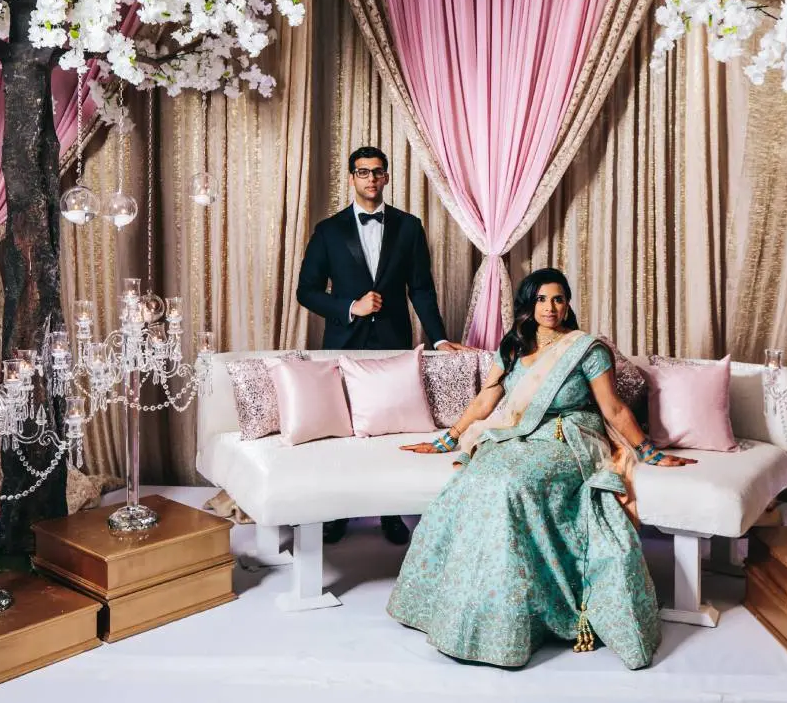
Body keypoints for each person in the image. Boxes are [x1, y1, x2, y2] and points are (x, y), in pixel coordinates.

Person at [386, 268, 697, 669]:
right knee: (475, 479)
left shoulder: (586, 350)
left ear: (568, 304)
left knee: (512, 485)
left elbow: (614, 409)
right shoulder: (514, 346)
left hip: (568, 438)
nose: (550, 308)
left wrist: (649, 452)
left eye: (558, 299)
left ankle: (535, 613)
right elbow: (486, 400)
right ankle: (468, 608)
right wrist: (448, 439)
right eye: (541, 299)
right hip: (516, 435)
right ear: (528, 305)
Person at [297, 146, 467, 546]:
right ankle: (339, 513)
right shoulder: (328, 230)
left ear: (387, 177)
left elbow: (421, 290)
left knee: (391, 430)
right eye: (363, 172)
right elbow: (307, 291)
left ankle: (391, 513)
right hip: (343, 343)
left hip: (393, 343)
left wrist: (439, 338)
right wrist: (350, 307)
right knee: (345, 431)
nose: (371, 178)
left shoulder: (409, 227)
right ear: (351, 178)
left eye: (377, 172)